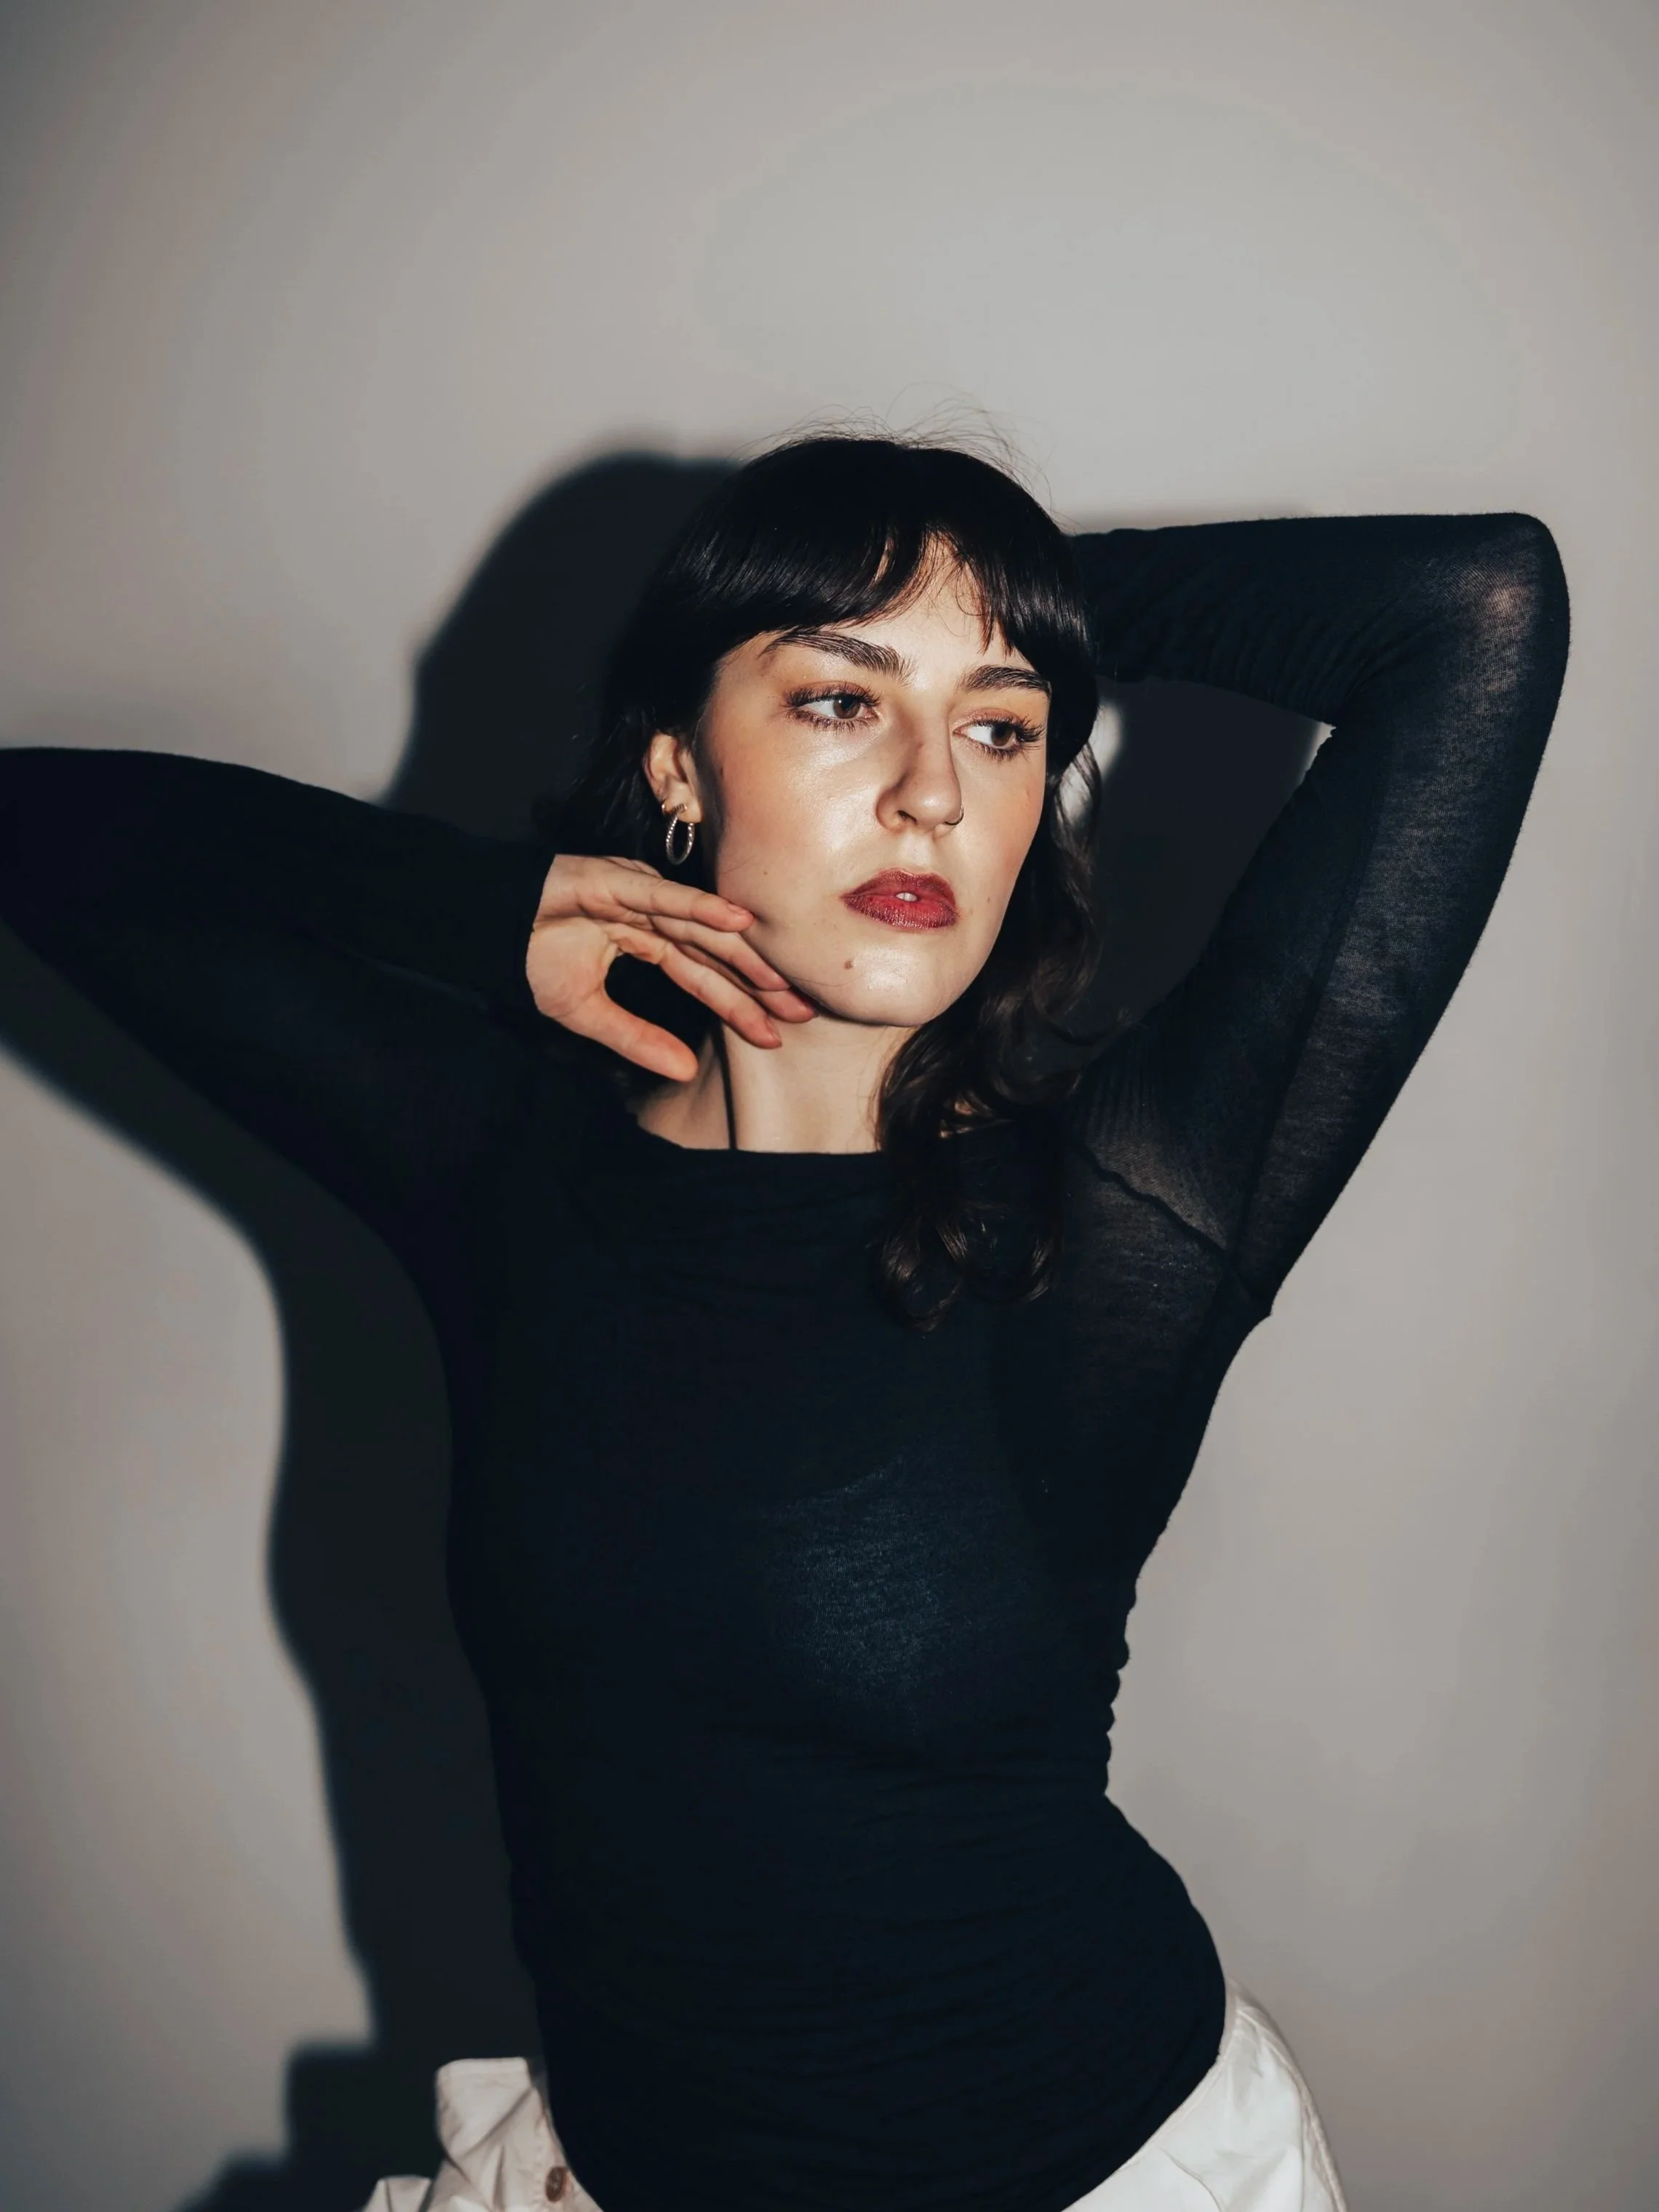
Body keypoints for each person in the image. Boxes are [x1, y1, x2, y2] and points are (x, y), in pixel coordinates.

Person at [0, 435, 1570, 2212]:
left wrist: (990, 597)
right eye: (839, 700)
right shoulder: (496, 1155)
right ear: (679, 765)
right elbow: (36, 837)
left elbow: (1478, 608)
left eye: (1001, 724)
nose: (931, 796)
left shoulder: (1130, 1215)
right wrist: (478, 909)